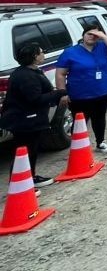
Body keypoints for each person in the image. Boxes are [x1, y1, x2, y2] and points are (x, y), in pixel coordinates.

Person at [0, 43, 68, 188]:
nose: (43, 54)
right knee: (24, 152)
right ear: (34, 56)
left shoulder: (32, 71)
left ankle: (30, 177)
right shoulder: (25, 76)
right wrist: (59, 93)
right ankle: (20, 184)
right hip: (24, 120)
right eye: (41, 52)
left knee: (31, 150)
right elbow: (35, 99)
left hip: (31, 119)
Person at [55, 23, 107, 153]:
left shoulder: (103, 47)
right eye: (89, 34)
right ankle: (79, 147)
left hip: (102, 91)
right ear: (83, 35)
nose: (92, 37)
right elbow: (60, 74)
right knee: (80, 121)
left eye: (95, 35)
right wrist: (62, 93)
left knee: (99, 118)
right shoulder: (70, 52)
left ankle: (100, 142)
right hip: (80, 95)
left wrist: (103, 36)